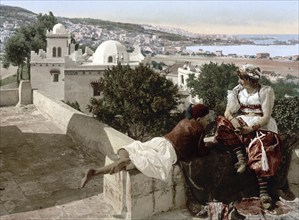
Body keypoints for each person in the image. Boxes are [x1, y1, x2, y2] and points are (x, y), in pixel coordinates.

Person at [80, 103, 213, 188]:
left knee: (131, 148)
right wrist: (212, 144)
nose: (208, 122)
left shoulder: (184, 121)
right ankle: (125, 162)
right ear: (199, 119)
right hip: (169, 152)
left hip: (160, 141)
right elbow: (200, 151)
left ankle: (96, 171)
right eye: (207, 119)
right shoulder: (198, 128)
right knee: (144, 164)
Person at [215, 64, 282, 210]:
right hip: (242, 121)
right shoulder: (237, 91)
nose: (239, 81)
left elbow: (266, 117)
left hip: (260, 125)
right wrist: (234, 121)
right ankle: (241, 158)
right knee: (222, 124)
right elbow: (228, 112)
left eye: (242, 78)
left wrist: (249, 129)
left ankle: (263, 193)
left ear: (250, 79)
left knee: (262, 148)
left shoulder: (265, 91)